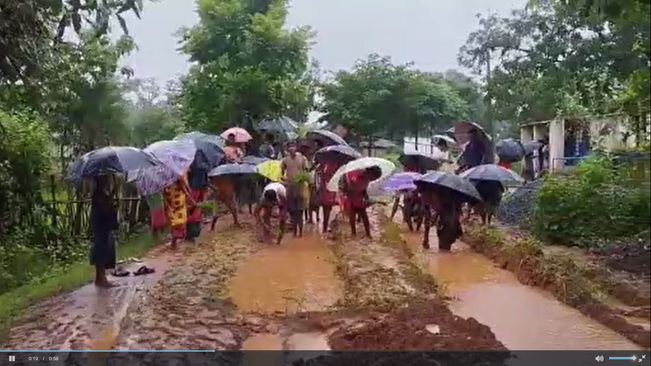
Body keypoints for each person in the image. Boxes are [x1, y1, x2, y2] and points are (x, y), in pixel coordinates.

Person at [90, 175, 119, 287]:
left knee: (103, 250)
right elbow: (104, 210)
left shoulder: (101, 193)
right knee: (101, 251)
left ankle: (100, 278)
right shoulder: (98, 194)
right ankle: (101, 278)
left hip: (102, 226)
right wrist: (111, 203)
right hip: (101, 227)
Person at [339, 166, 382, 238]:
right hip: (351, 199)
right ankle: (353, 234)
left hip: (360, 199)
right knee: (352, 217)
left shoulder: (367, 179)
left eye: (375, 179)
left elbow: (364, 190)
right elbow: (347, 187)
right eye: (374, 178)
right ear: (369, 173)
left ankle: (368, 235)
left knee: (364, 217)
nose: (373, 180)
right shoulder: (354, 175)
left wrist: (366, 197)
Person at [420, 186, 465, 251]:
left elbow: (438, 208)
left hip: (447, 223)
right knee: (446, 247)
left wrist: (435, 216)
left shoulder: (434, 194)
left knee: (444, 248)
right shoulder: (453, 193)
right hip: (453, 222)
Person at [163, 173, 196, 249]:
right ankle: (174, 242)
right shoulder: (178, 175)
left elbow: (164, 192)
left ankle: (174, 242)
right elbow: (184, 189)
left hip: (171, 201)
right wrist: (191, 199)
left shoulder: (164, 178)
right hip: (178, 202)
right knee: (179, 222)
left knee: (174, 222)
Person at [281, 140, 309, 217]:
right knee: (291, 206)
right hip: (290, 185)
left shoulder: (302, 158)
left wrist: (303, 177)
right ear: (287, 149)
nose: (291, 148)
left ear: (296, 147)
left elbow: (306, 170)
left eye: (293, 146)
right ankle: (292, 221)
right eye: (290, 147)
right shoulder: (285, 160)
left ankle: (300, 222)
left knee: (300, 206)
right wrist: (283, 178)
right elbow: (281, 171)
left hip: (300, 185)